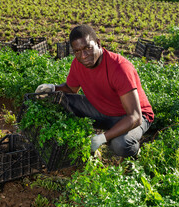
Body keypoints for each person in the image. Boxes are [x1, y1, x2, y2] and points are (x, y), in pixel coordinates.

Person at [35, 24, 154, 158]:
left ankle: (135, 149)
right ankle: (110, 132)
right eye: (77, 51)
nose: (83, 56)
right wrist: (52, 88)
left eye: (87, 48)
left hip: (132, 116)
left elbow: (135, 117)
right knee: (62, 99)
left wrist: (101, 139)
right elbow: (71, 89)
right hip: (103, 110)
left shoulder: (119, 68)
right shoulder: (78, 64)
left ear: (98, 43)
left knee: (121, 144)